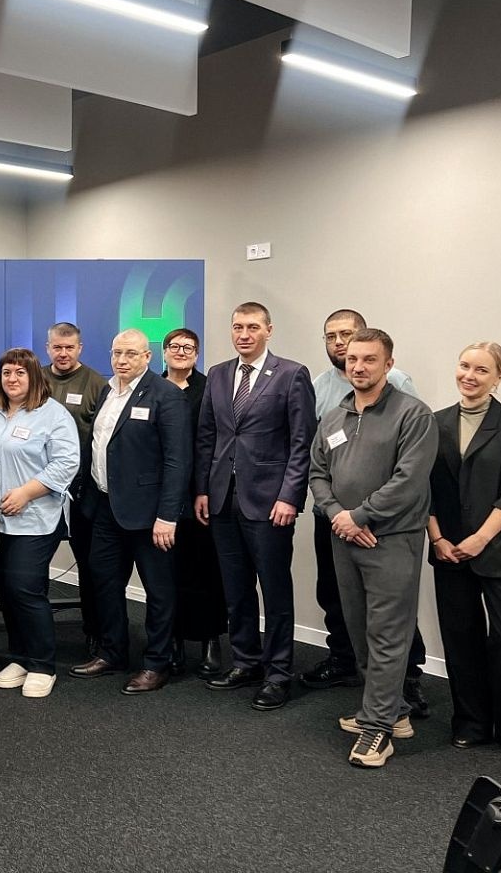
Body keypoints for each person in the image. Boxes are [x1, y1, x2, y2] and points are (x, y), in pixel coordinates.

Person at [309, 329, 436, 768]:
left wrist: (360, 516)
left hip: (391, 540)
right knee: (359, 628)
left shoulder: (413, 414)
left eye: (369, 359)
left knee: (388, 633)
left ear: (388, 364)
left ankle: (377, 729)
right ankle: (391, 711)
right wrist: (338, 515)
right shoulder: (335, 416)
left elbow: (409, 480)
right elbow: (317, 473)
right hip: (345, 537)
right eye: (352, 359)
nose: (358, 367)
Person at [195, 302, 316, 712]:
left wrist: (290, 496)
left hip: (270, 502)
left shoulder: (291, 374)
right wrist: (202, 490)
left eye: (252, 327)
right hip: (222, 499)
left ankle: (278, 673)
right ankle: (246, 661)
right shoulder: (218, 374)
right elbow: (207, 436)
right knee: (236, 589)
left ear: (268, 330)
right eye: (237, 327)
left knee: (275, 591)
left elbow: (302, 443)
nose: (243, 334)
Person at [427, 342, 501, 762]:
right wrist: (437, 538)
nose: (469, 376)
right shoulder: (433, 423)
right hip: (448, 550)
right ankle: (471, 722)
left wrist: (480, 538)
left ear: (498, 377)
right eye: (464, 366)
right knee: (461, 639)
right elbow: (423, 488)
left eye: (481, 370)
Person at [71, 329, 190, 694]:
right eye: (117, 353)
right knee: (105, 582)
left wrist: (167, 516)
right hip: (106, 507)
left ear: (147, 356)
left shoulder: (166, 395)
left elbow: (178, 461)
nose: (122, 360)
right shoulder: (108, 391)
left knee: (158, 591)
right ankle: (112, 652)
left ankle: (156, 663)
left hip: (150, 515)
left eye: (131, 354)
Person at [0, 348, 79, 699]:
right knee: (6, 589)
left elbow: (66, 463)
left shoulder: (53, 415)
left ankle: (42, 664)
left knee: (25, 588)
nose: (12, 379)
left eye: (20, 372)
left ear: (34, 376)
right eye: (7, 372)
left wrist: (26, 493)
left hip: (36, 519)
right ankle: (20, 657)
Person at [160, 328, 226, 679]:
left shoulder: (210, 388)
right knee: (167, 573)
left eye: (188, 347)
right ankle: (173, 641)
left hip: (200, 493)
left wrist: (204, 489)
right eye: (175, 346)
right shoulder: (151, 388)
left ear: (197, 354)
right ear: (164, 352)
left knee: (205, 569)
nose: (181, 352)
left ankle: (210, 640)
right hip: (162, 496)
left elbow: (213, 442)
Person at [41, 322, 108, 658]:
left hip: (82, 493)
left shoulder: (97, 384)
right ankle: (32, 634)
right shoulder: (34, 379)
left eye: (69, 348)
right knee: (32, 567)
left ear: (80, 348)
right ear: (48, 347)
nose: (63, 353)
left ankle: (94, 631)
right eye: (57, 347)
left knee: (90, 566)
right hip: (38, 491)